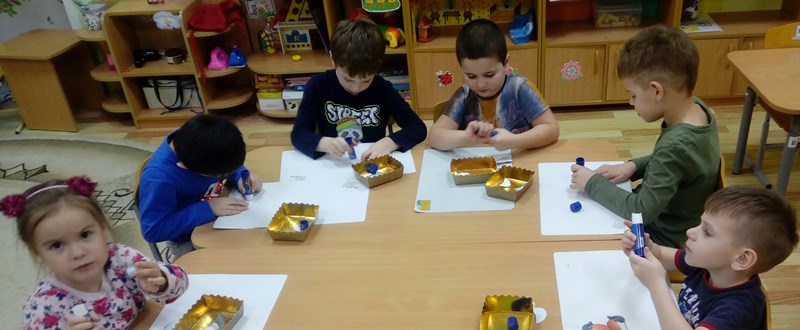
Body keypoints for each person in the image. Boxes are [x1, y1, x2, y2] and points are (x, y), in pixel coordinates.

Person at [0, 176, 189, 330]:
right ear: (38, 252)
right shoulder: (42, 307)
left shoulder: (120, 258)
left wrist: (162, 280)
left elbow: (181, 284)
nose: (78, 253)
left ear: (102, 228)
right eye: (56, 245)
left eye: (85, 235)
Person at [622, 186, 798, 330]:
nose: (691, 232)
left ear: (742, 258)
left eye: (707, 232)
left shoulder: (741, 307)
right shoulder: (709, 264)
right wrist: (648, 248)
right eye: (700, 224)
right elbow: (665, 256)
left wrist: (656, 284)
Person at [571, 24, 720, 248]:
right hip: (677, 221)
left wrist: (592, 183)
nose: (631, 102)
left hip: (661, 240)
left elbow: (641, 211)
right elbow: (680, 162)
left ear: (656, 91)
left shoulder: (676, 146)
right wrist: (633, 166)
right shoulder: (697, 109)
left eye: (633, 95)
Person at [290, 18, 427, 161]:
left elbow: (417, 127)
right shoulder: (318, 86)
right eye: (348, 79)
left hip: (371, 163)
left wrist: (389, 142)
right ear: (332, 58)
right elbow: (298, 134)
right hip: (332, 163)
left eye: (366, 80)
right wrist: (327, 144)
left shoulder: (382, 89)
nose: (356, 88)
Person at [137, 114, 261, 259]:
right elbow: (153, 230)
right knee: (244, 258)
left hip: (219, 217)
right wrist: (207, 209)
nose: (225, 175)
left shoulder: (202, 142)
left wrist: (241, 176)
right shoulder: (158, 178)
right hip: (188, 239)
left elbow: (225, 160)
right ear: (184, 167)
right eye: (222, 173)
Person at [427, 19, 559, 151]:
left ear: (506, 62)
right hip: (478, 160)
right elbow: (434, 137)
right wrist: (466, 136)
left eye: (489, 75)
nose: (481, 85)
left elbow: (552, 129)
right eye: (471, 76)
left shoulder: (519, 88)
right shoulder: (464, 95)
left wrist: (514, 141)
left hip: (519, 158)